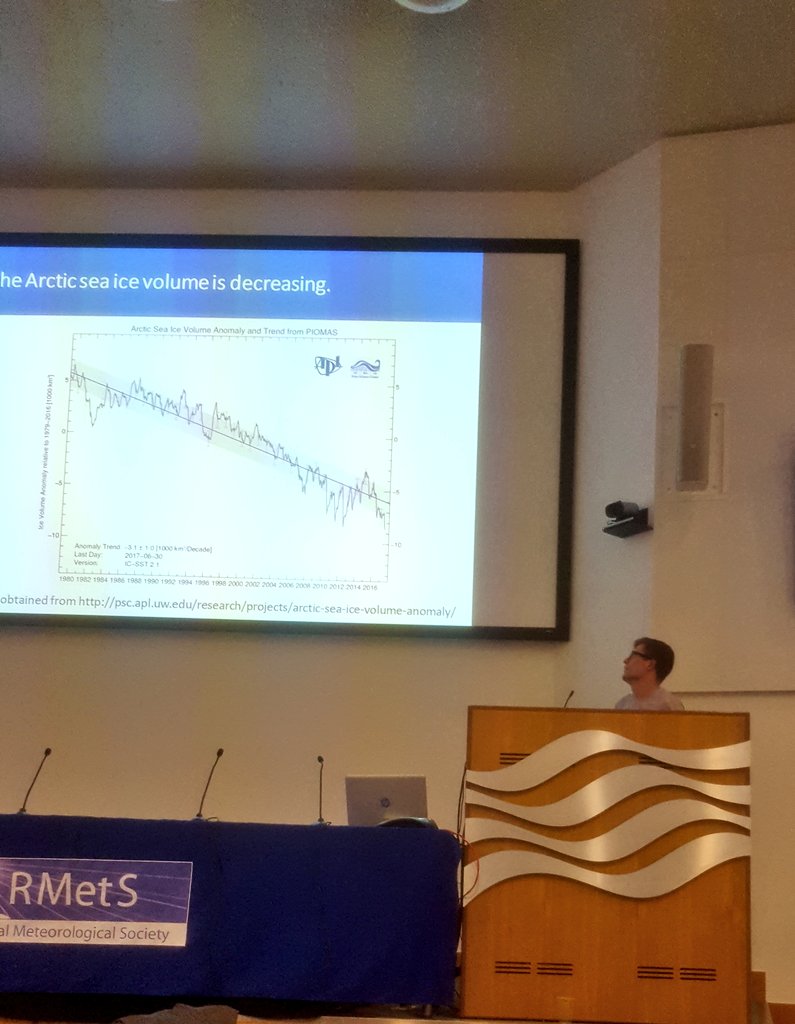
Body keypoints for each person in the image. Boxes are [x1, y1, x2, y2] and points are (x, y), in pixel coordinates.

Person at [615, 637, 684, 710]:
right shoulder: (622, 705)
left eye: (632, 655)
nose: (625, 660)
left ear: (650, 664)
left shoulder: (669, 706)